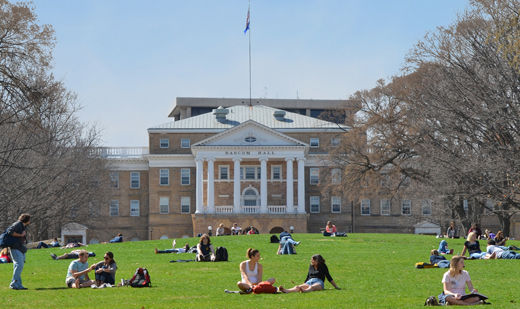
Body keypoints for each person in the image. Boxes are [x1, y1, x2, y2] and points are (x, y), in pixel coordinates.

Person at [6, 213, 31, 290]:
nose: (30, 221)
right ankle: (13, 284)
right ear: (26, 220)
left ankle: (18, 285)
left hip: (19, 248)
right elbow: (9, 231)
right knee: (19, 266)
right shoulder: (18, 224)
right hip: (15, 248)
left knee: (18, 266)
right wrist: (20, 235)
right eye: (29, 220)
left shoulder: (22, 225)